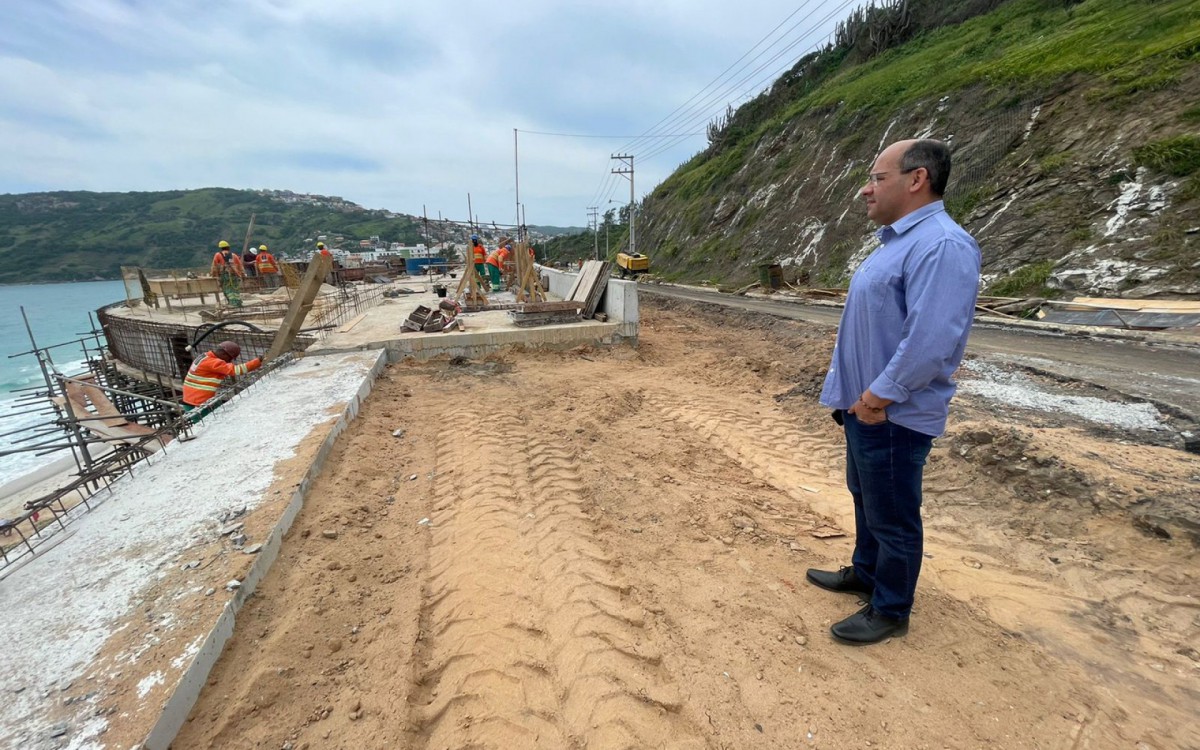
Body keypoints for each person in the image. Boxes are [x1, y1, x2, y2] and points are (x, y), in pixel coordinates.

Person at [809, 138, 980, 645]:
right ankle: (866, 573)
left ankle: (890, 608)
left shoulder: (942, 245)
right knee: (867, 499)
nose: (866, 189)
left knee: (894, 515)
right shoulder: (898, 241)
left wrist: (876, 398)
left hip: (890, 414)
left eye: (877, 178)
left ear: (916, 179)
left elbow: (930, 342)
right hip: (864, 410)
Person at [181, 340, 263, 419]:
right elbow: (236, 370)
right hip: (198, 403)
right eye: (230, 358)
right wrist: (257, 361)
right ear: (224, 354)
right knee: (209, 426)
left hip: (191, 399)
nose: (229, 361)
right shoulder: (213, 362)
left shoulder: (205, 356)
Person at [210, 240, 245, 307]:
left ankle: (232, 303)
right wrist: (242, 274)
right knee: (235, 289)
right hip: (234, 275)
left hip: (224, 275)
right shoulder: (233, 255)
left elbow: (214, 266)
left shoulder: (218, 255)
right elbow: (240, 265)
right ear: (228, 247)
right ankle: (237, 303)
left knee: (227, 289)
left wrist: (214, 275)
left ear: (220, 248)